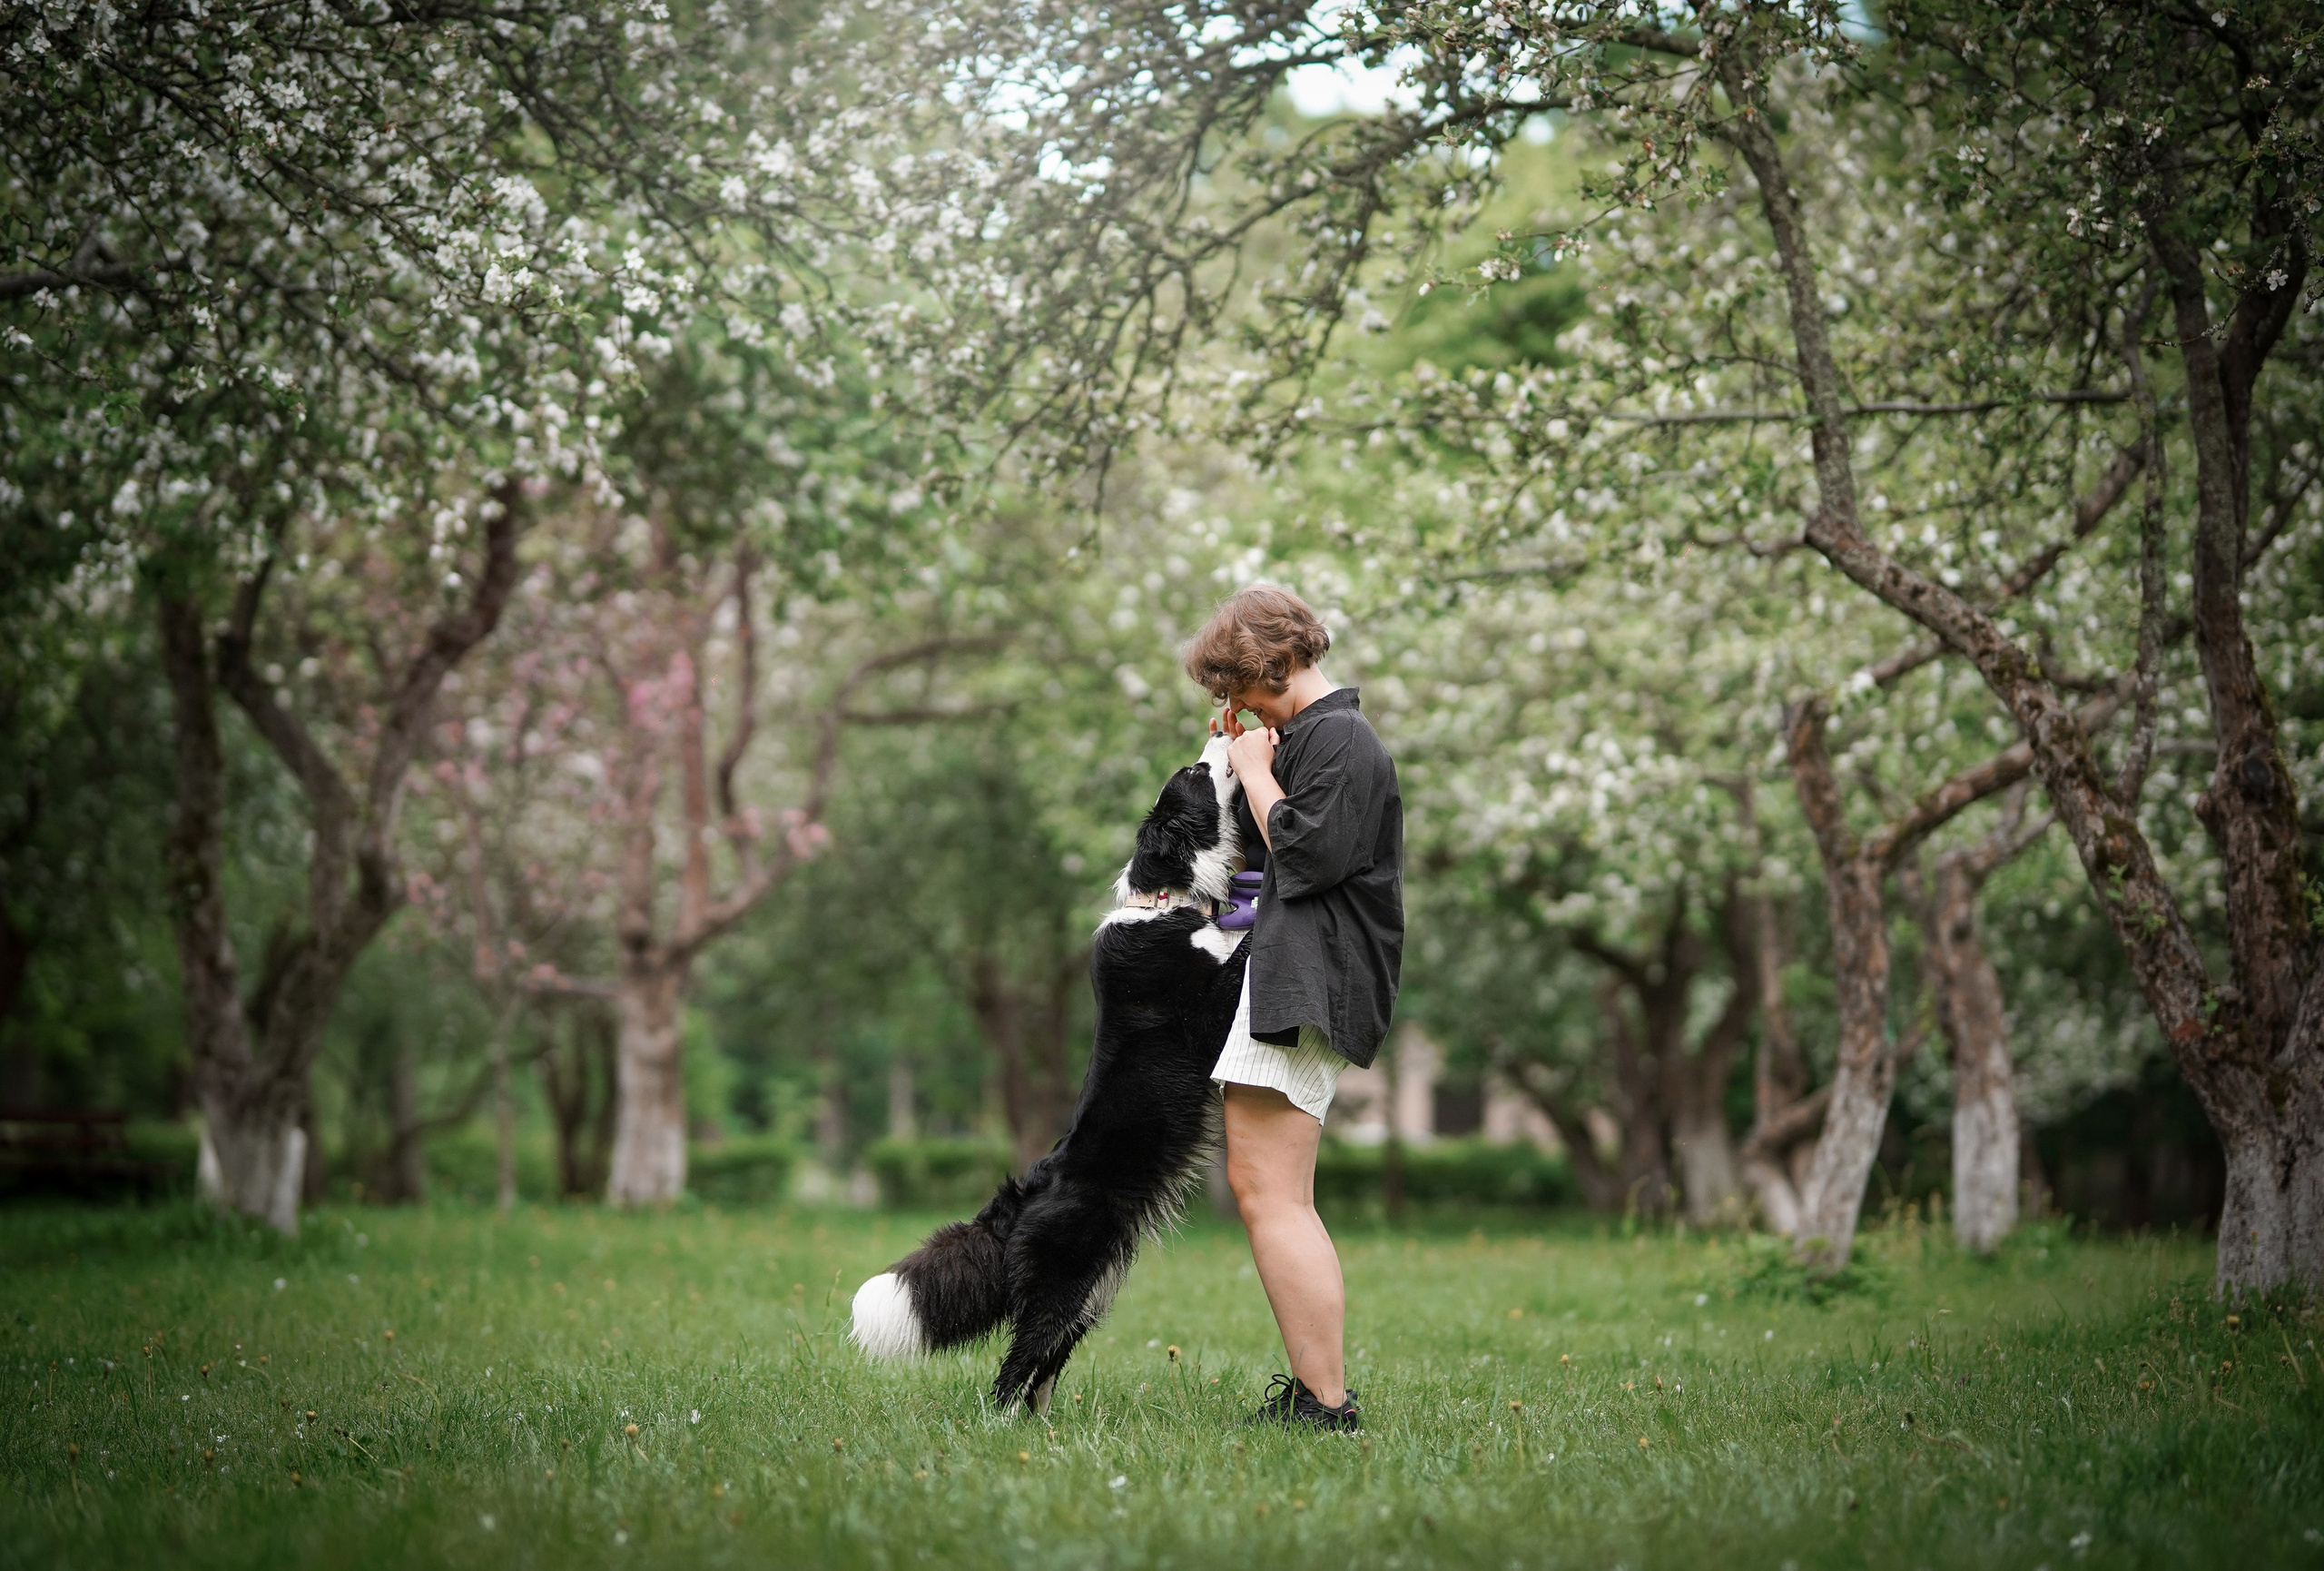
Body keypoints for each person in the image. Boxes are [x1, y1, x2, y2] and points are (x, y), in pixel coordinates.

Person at [1180, 585, 1403, 1433]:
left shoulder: (1342, 739)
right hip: (1295, 971)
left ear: (1268, 664)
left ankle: (1326, 1404)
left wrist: (1253, 770)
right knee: (1270, 1189)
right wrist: (1243, 772)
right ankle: (1319, 1397)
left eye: (1232, 685)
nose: (1228, 703)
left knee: (1272, 1193)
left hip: (1312, 979)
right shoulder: (1314, 738)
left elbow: (1306, 855)